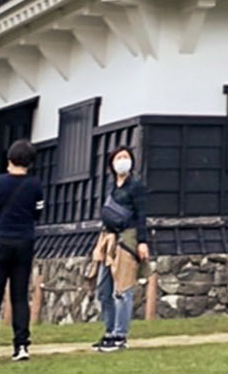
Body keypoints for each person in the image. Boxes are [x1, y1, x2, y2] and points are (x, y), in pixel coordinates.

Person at [0, 140, 43, 364]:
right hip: (24, 241)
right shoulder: (35, 185)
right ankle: (22, 345)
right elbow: (37, 214)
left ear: (10, 159)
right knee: (20, 296)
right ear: (30, 162)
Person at [89, 147, 149, 353]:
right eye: (119, 157)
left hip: (127, 238)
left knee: (123, 289)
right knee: (104, 289)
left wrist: (142, 241)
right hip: (109, 238)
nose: (123, 161)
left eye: (126, 157)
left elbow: (142, 215)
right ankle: (109, 331)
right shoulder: (110, 186)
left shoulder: (136, 187)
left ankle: (120, 334)